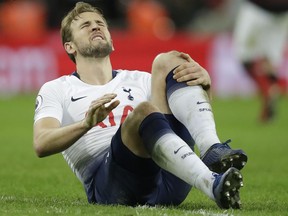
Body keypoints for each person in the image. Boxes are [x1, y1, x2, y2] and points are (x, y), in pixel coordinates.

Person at [33, 2, 247, 209]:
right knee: (144, 110)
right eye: (85, 25)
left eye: (100, 23)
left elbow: (188, 117)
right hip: (112, 185)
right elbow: (41, 144)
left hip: (169, 177)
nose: (96, 26)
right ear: (69, 46)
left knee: (171, 61)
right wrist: (85, 124)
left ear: (111, 40)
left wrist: (205, 84)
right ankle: (212, 182)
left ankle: (211, 147)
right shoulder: (57, 88)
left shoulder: (141, 80)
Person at [233, 0, 288, 122]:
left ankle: (267, 92)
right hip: (280, 11)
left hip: (258, 9)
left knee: (245, 56)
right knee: (269, 61)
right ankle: (269, 92)